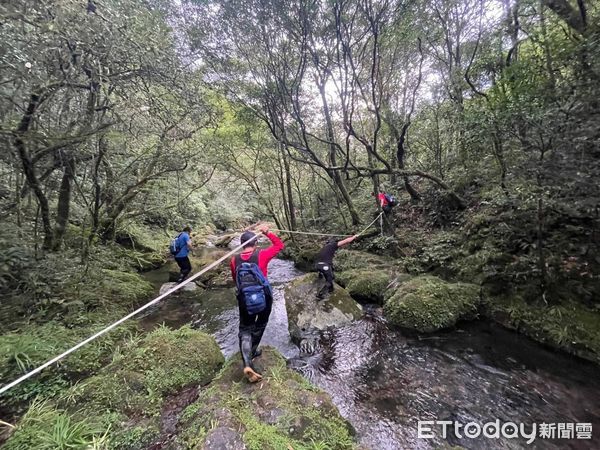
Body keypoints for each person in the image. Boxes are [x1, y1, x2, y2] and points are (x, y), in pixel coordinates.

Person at [230, 223, 284, 383]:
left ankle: (247, 362)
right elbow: (279, 245)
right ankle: (252, 352)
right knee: (260, 324)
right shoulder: (262, 255)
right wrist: (267, 232)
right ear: (255, 243)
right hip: (264, 296)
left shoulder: (234, 260)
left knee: (245, 328)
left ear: (241, 245)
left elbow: (235, 280)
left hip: (244, 298)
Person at [315, 234, 358, 299]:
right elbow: (346, 241)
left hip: (318, 265)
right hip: (325, 266)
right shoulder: (333, 245)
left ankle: (329, 287)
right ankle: (320, 294)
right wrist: (354, 237)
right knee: (329, 280)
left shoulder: (324, 248)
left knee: (331, 273)